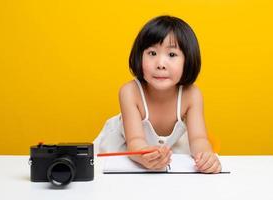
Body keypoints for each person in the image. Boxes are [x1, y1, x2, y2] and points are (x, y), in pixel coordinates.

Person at [94, 15, 221, 173]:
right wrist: (144, 156)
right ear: (139, 56)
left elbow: (198, 139)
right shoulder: (130, 92)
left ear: (187, 60)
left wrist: (206, 156)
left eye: (172, 55)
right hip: (124, 147)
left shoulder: (191, 94)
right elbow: (135, 141)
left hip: (165, 149)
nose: (160, 64)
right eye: (152, 53)